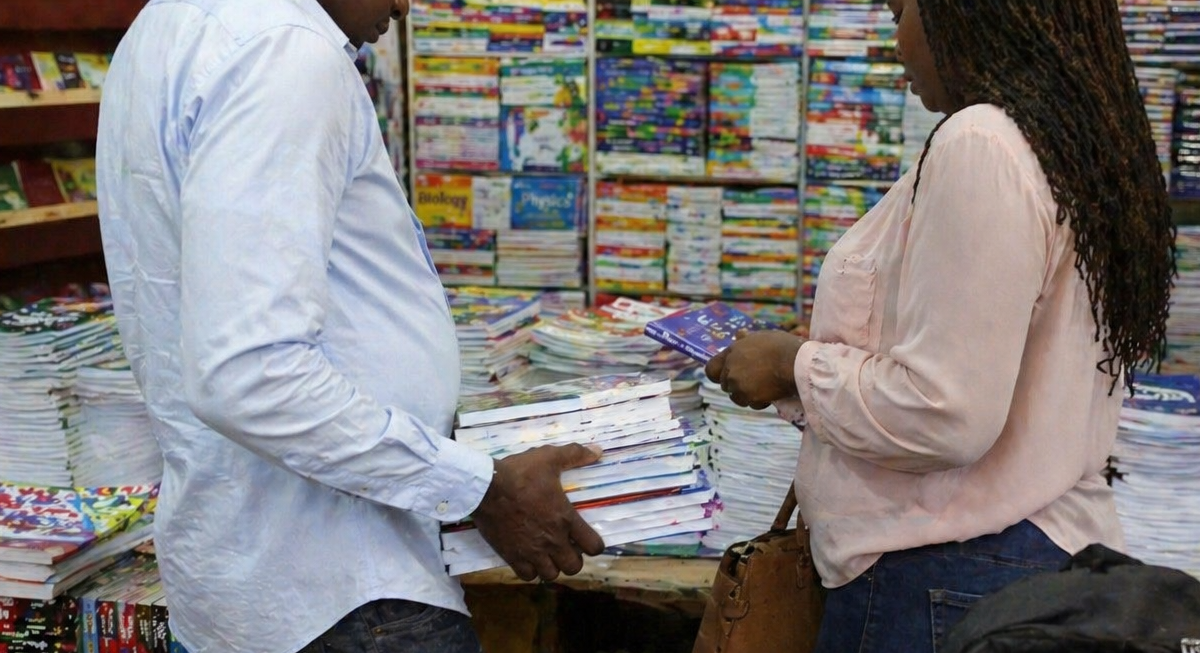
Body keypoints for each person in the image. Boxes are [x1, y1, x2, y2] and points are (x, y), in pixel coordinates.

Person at [95, 1, 605, 652]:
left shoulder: (166, 26)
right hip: (344, 591)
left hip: (249, 572)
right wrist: (475, 487)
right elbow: (249, 372)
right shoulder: (281, 52)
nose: (403, 5)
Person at [705, 0, 1177, 650]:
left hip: (938, 577)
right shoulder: (1069, 141)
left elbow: (941, 409)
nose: (894, 33)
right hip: (1019, 559)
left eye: (904, 8)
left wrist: (792, 363)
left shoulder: (979, 142)